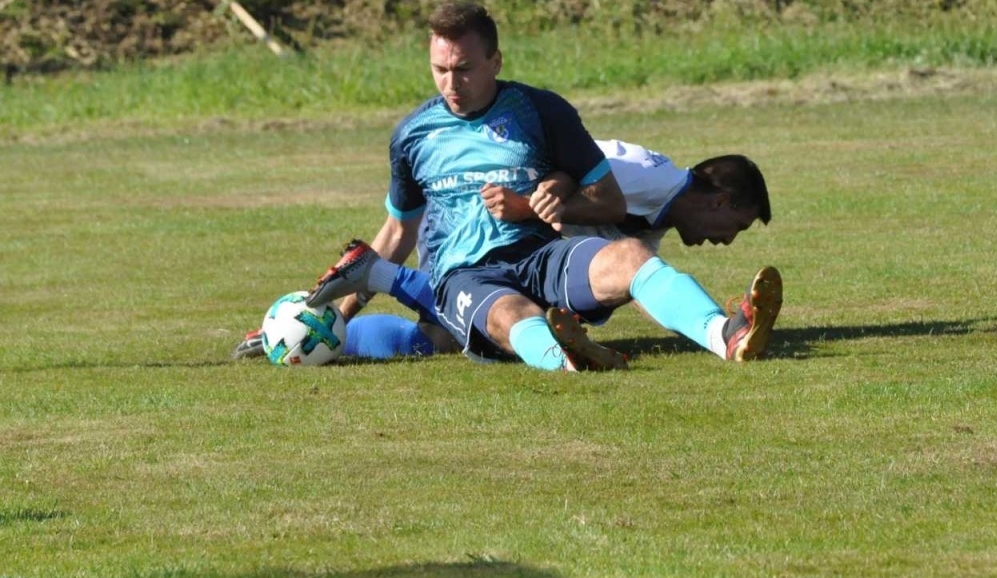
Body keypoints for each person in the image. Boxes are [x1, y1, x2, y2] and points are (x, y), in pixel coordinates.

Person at [259, 0, 783, 372]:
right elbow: (399, 229)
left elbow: (607, 200)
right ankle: (566, 358)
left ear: (495, 62)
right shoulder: (413, 134)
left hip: (538, 255)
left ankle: (724, 335)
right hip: (463, 276)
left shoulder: (542, 112)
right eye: (439, 69)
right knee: (504, 317)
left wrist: (546, 199)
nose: (450, 83)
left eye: (463, 69)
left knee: (627, 257)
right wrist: (324, 317)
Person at [236, 140, 776, 361]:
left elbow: (636, 277)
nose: (728, 239)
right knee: (494, 311)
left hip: (511, 253)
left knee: (440, 340)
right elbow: (540, 165)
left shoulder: (653, 214)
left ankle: (314, 337)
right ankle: (375, 277)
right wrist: (516, 205)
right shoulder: (635, 171)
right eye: (737, 224)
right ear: (721, 199)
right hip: (477, 235)